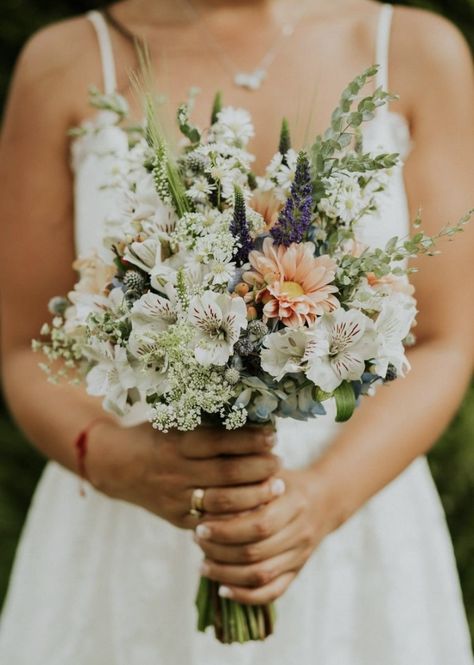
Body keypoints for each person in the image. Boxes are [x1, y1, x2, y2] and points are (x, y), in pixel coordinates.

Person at [0, 0, 473, 662]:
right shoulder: (65, 61)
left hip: (355, 520)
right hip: (126, 525)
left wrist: (320, 500)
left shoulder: (417, 50)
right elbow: (25, 346)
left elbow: (446, 340)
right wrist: (121, 462)